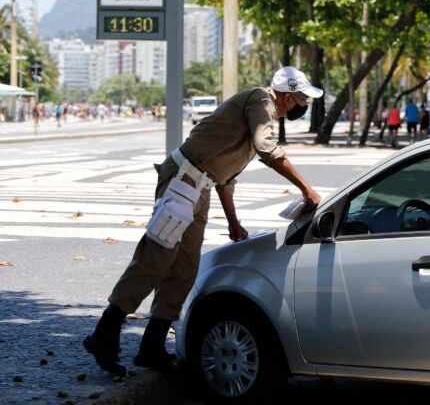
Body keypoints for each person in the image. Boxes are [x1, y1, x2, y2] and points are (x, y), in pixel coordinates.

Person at [84, 66, 324, 377]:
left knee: (184, 270)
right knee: (155, 260)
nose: (303, 106)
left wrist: (233, 223)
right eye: (303, 100)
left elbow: (225, 178)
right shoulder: (261, 102)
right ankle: (104, 334)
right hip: (182, 182)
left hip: (200, 188)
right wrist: (307, 189)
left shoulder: (260, 113)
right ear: (289, 96)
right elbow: (267, 149)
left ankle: (151, 347)